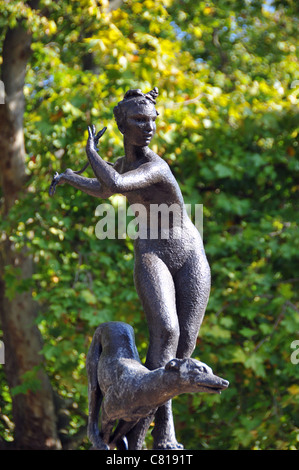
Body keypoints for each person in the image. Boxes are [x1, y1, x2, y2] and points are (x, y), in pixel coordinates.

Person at [50, 88, 211, 449]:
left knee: (184, 344)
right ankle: (157, 430)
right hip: (152, 251)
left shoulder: (156, 166)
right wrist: (67, 177)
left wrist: (91, 152)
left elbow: (117, 184)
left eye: (153, 120)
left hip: (190, 256)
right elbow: (105, 187)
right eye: (140, 120)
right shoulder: (124, 165)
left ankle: (146, 430)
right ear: (123, 124)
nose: (149, 126)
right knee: (166, 333)